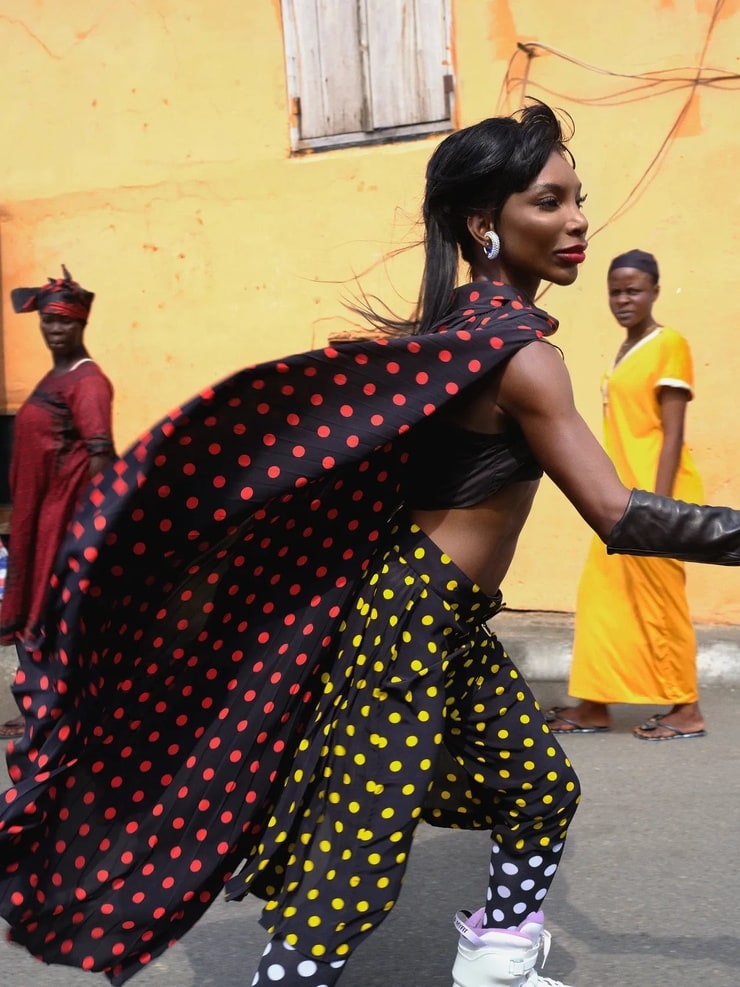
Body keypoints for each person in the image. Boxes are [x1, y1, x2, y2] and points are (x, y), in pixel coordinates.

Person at [1, 104, 740, 987]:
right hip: (408, 626)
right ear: (485, 225)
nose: (578, 220)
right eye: (549, 201)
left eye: (579, 199)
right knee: (346, 877)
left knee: (540, 788)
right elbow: (618, 514)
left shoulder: (461, 338)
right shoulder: (519, 358)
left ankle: (497, 964)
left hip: (448, 621)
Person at [546, 251, 706, 741]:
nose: (622, 299)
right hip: (622, 500)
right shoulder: (622, 352)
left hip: (658, 498)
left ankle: (687, 709)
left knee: (661, 601)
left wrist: (657, 510)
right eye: (615, 290)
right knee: (602, 597)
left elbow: (673, 434)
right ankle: (594, 705)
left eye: (633, 290)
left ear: (654, 291)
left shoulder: (669, 344)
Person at [0, 266, 115, 739]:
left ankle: (56, 716)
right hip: (35, 516)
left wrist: (92, 528)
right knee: (33, 611)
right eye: (48, 321)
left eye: (64, 321)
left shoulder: (87, 383)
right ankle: (38, 711)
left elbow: (102, 455)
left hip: (62, 521)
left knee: (55, 617)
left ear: (82, 324)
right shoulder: (56, 376)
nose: (54, 330)